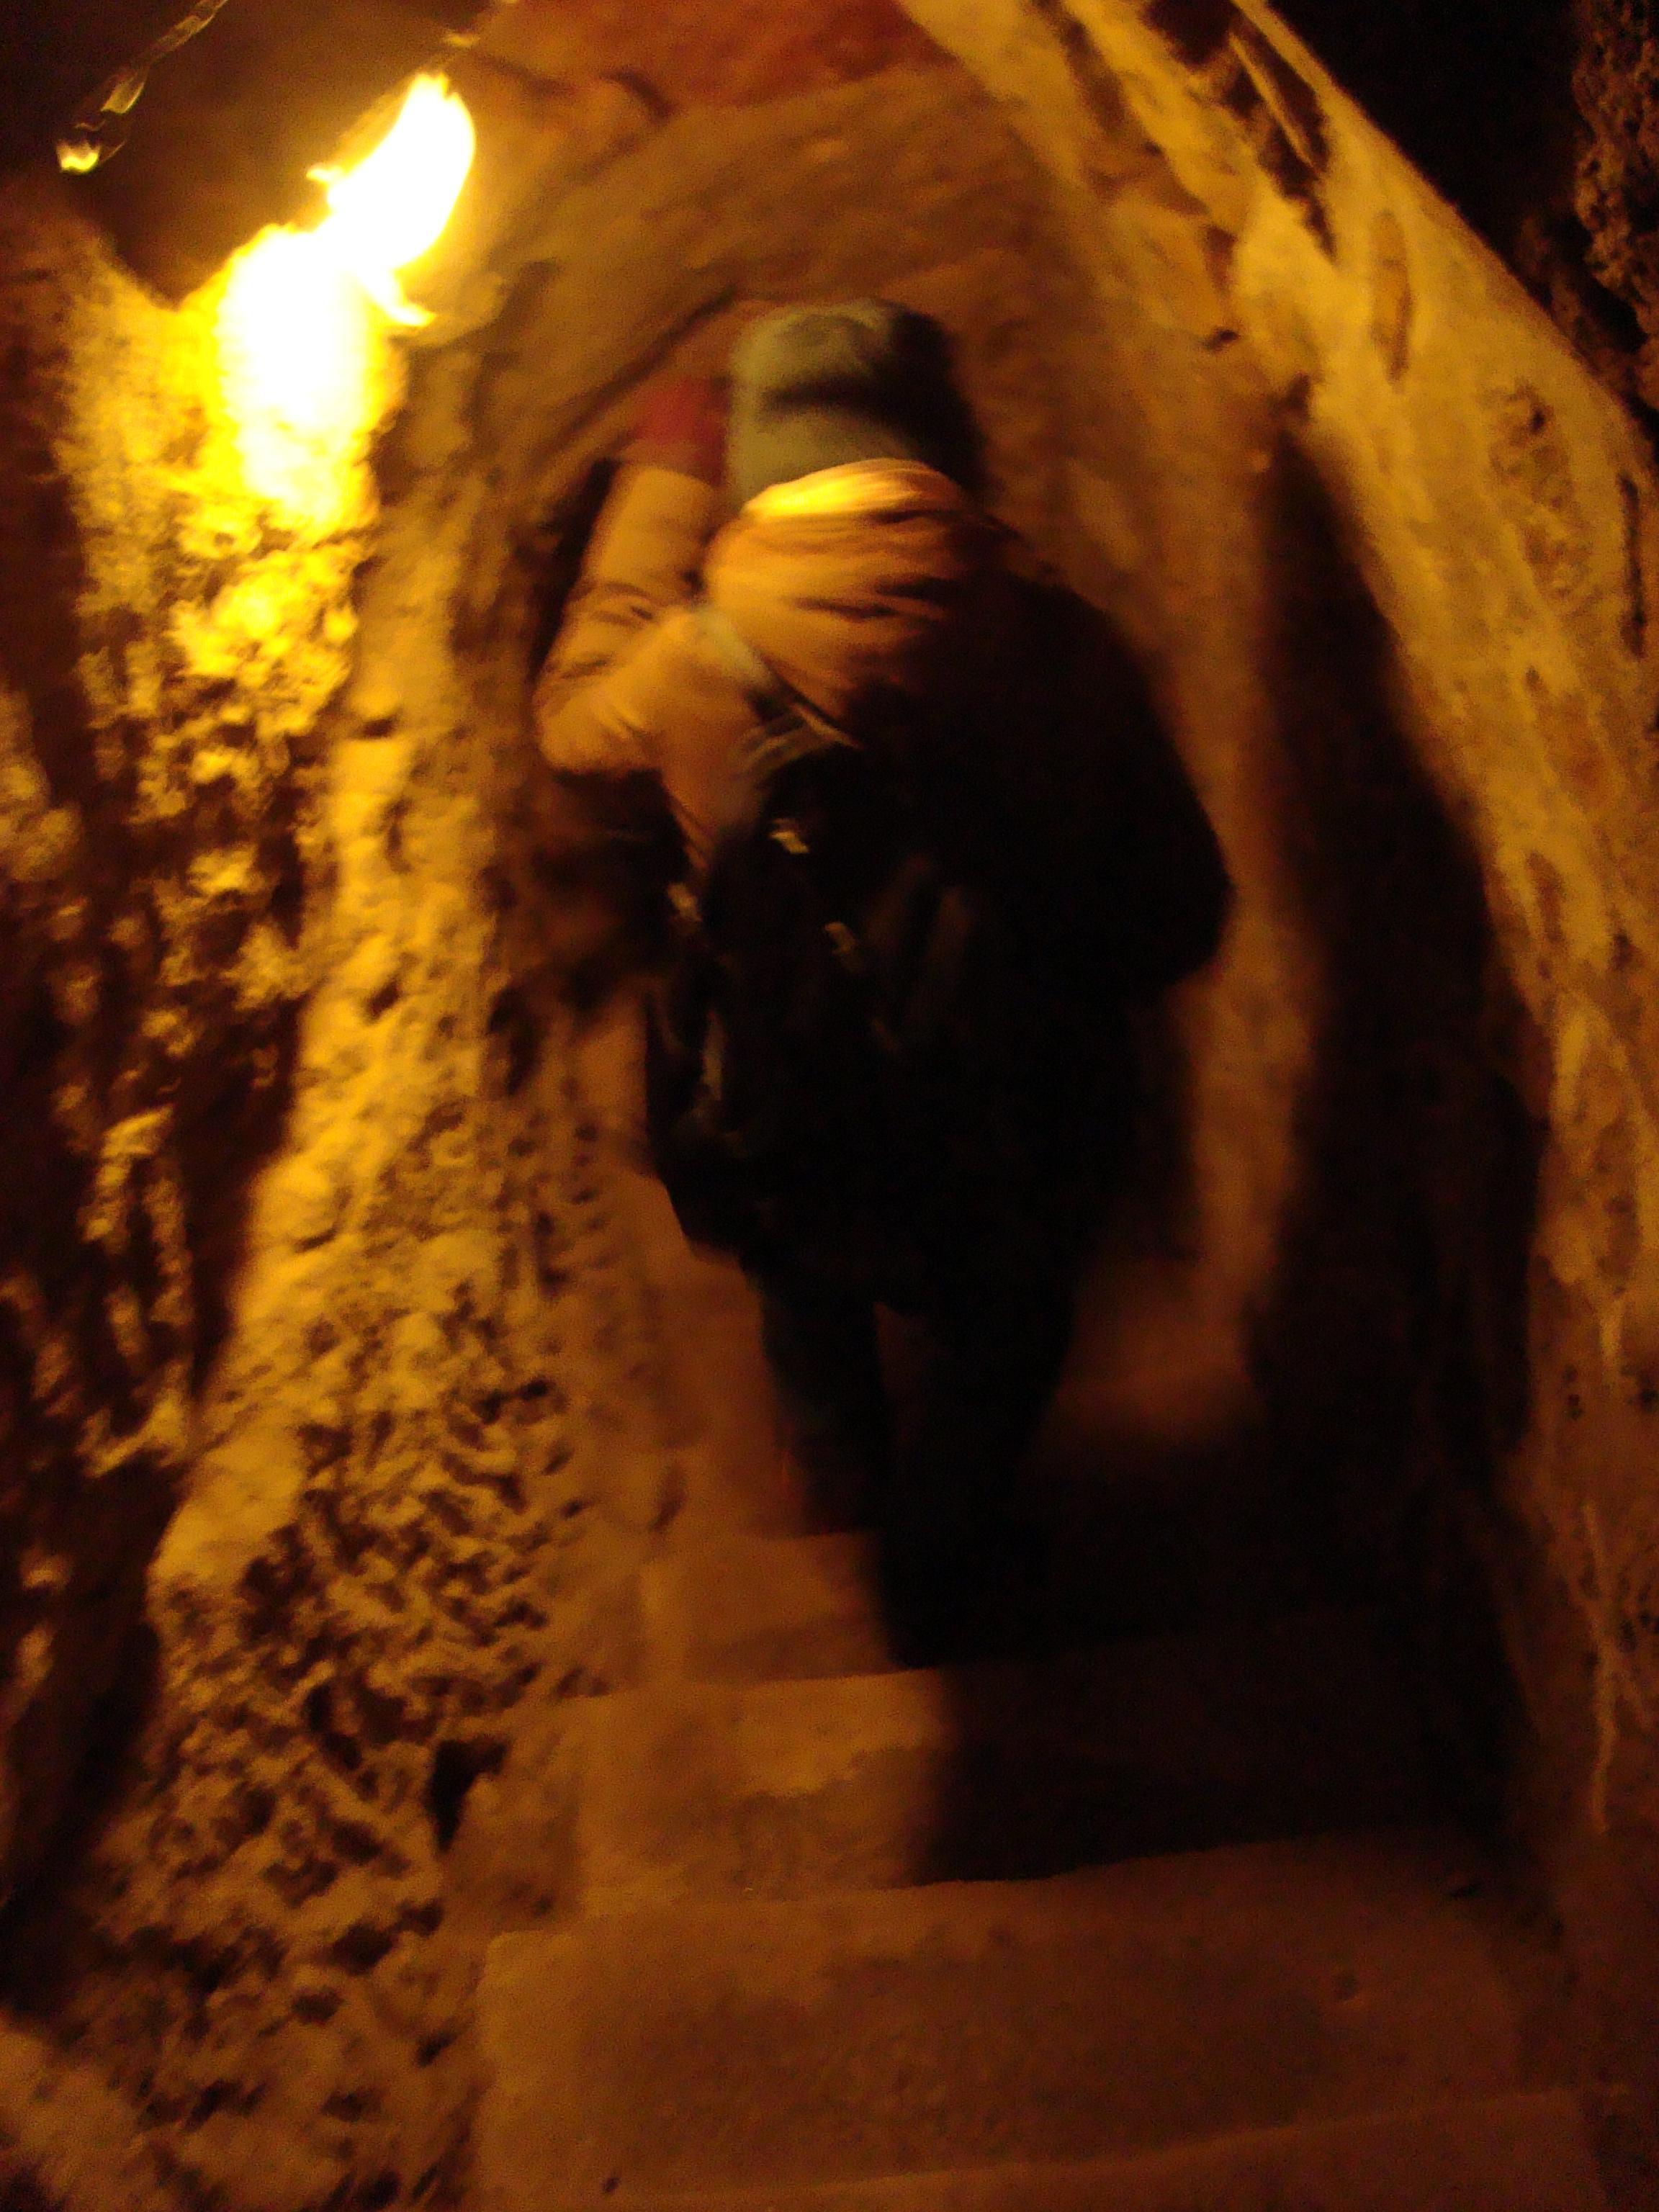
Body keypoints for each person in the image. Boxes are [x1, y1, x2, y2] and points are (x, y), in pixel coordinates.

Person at [532, 301, 1227, 1655]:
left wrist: (660, 487)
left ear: (758, 473)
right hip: (1019, 1114)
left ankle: (842, 1487)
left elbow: (568, 723)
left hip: (791, 1095)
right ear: (942, 453)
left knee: (804, 1290)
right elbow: (1178, 914)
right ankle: (939, 1561)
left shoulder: (692, 662)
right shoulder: (1063, 649)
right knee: (1002, 1337)